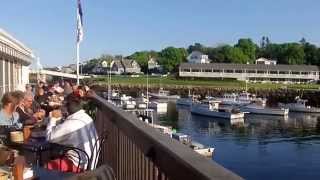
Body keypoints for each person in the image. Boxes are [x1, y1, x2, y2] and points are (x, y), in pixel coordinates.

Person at [46, 93, 98, 172]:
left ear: (68, 106)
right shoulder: (87, 117)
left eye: (64, 105)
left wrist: (52, 118)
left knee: (47, 166)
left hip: (79, 166)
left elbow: (49, 137)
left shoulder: (71, 124)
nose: (63, 107)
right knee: (59, 151)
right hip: (91, 162)